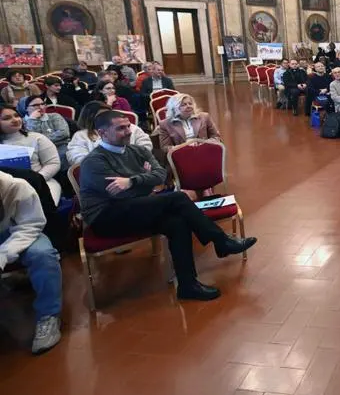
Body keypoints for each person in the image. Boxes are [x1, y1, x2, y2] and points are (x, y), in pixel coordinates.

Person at [79, 111, 257, 301]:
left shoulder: (137, 151)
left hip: (136, 208)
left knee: (177, 222)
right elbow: (120, 193)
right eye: (120, 128)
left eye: (128, 126)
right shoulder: (94, 162)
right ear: (102, 133)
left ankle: (188, 285)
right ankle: (221, 241)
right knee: (178, 198)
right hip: (106, 217)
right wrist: (141, 181)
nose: (128, 131)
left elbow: (160, 176)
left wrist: (131, 181)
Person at [0, 171, 62, 354]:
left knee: (43, 255)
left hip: (19, 231)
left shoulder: (18, 187)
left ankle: (49, 315)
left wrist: (3, 255)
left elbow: (30, 225)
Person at [0, 105, 62, 204]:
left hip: (42, 183)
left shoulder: (37, 138)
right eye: (7, 118)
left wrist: (36, 179)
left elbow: (53, 163)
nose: (15, 120)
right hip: (5, 188)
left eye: (16, 116)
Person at [67, 101, 151, 166]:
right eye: (101, 115)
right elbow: (77, 158)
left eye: (108, 114)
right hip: (100, 173)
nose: (106, 117)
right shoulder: (81, 135)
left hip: (134, 166)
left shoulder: (130, 127)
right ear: (90, 118)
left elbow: (145, 145)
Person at [158, 94, 222, 153]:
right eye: (183, 105)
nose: (188, 106)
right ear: (174, 108)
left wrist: (202, 144)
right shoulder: (165, 124)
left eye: (190, 103)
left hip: (205, 152)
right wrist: (185, 146)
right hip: (182, 155)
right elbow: (165, 148)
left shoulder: (204, 117)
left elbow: (216, 137)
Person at [23, 95, 70, 170]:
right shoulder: (23, 122)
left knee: (62, 156)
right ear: (26, 108)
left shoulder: (54, 116)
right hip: (36, 151)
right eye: (36, 105)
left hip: (59, 146)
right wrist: (32, 120)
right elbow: (31, 139)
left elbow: (64, 133)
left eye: (43, 104)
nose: (41, 107)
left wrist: (41, 141)